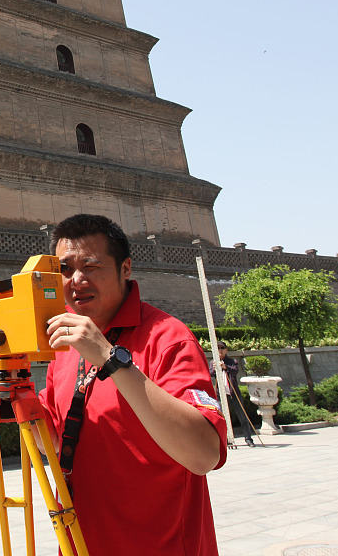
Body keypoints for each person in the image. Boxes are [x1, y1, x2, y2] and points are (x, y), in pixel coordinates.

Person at [39, 214, 228, 556]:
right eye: (65, 269)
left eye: (91, 265)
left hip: (160, 544)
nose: (77, 280)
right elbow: (55, 440)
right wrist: (12, 391)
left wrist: (111, 359)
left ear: (125, 268)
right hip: (81, 543)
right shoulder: (65, 347)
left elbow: (203, 455)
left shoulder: (168, 338)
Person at [215, 342, 256, 447]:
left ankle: (248, 438)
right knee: (223, 418)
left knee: (242, 416)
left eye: (222, 348)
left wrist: (225, 367)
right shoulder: (213, 362)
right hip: (221, 394)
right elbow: (210, 373)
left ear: (226, 350)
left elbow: (235, 371)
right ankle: (227, 439)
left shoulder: (233, 361)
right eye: (218, 348)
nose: (220, 350)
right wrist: (215, 368)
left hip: (233, 393)